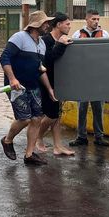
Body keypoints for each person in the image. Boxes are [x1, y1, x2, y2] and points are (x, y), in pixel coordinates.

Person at [0, 10, 58, 166]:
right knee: (24, 119)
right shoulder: (20, 37)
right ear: (36, 25)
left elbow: (40, 68)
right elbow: (4, 57)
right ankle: (7, 140)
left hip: (34, 85)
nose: (48, 26)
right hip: (17, 86)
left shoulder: (42, 43)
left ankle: (29, 155)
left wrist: (49, 89)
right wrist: (12, 78)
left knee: (37, 118)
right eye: (45, 23)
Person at [36, 12, 75, 156]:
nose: (69, 27)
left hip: (60, 83)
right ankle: (37, 136)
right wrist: (60, 44)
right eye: (67, 24)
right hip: (46, 82)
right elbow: (47, 61)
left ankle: (58, 146)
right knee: (51, 115)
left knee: (57, 116)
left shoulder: (65, 40)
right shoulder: (45, 40)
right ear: (58, 25)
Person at [69, 9, 109, 148]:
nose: (96, 21)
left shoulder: (105, 35)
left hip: (98, 78)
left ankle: (99, 137)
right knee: (82, 108)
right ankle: (81, 137)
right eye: (93, 19)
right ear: (86, 20)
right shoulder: (77, 35)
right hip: (82, 78)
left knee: (98, 107)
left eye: (98, 19)